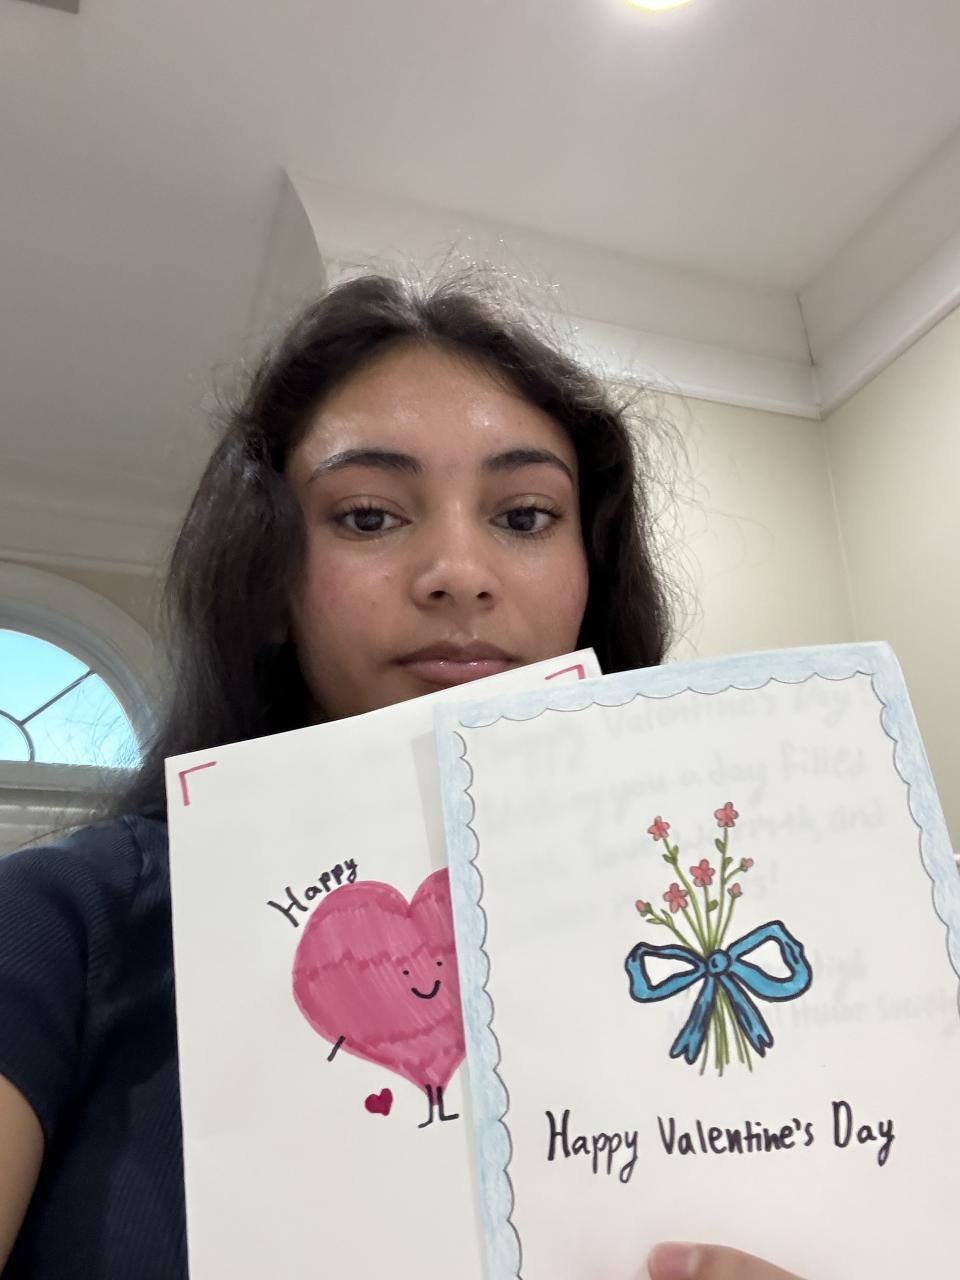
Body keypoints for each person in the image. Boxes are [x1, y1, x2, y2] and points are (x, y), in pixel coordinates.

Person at [0, 273, 804, 1280]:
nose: (459, 571)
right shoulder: (59, 923)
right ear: (270, 582)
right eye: (371, 516)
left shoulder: (699, 913)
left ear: (590, 579)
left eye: (525, 515)